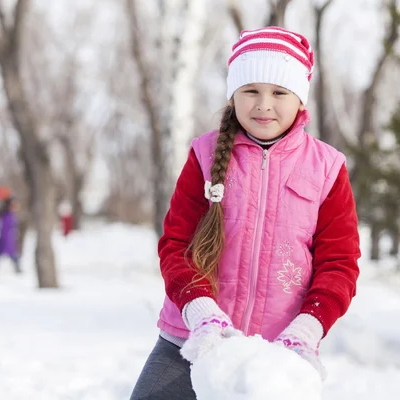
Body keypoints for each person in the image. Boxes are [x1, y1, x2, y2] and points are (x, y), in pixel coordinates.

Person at [130, 26, 361, 400]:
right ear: (234, 94)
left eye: (279, 92)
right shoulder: (205, 156)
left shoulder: (327, 168)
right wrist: (200, 312)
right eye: (251, 90)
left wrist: (308, 327)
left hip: (277, 353)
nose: (263, 104)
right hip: (190, 340)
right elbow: (176, 245)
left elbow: (340, 264)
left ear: (300, 99)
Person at [0, 197, 21, 275]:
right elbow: (4, 231)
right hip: (6, 242)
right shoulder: (6, 216)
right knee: (8, 257)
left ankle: (18, 271)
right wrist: (6, 242)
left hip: (9, 241)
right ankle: (18, 271)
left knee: (12, 257)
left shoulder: (10, 215)